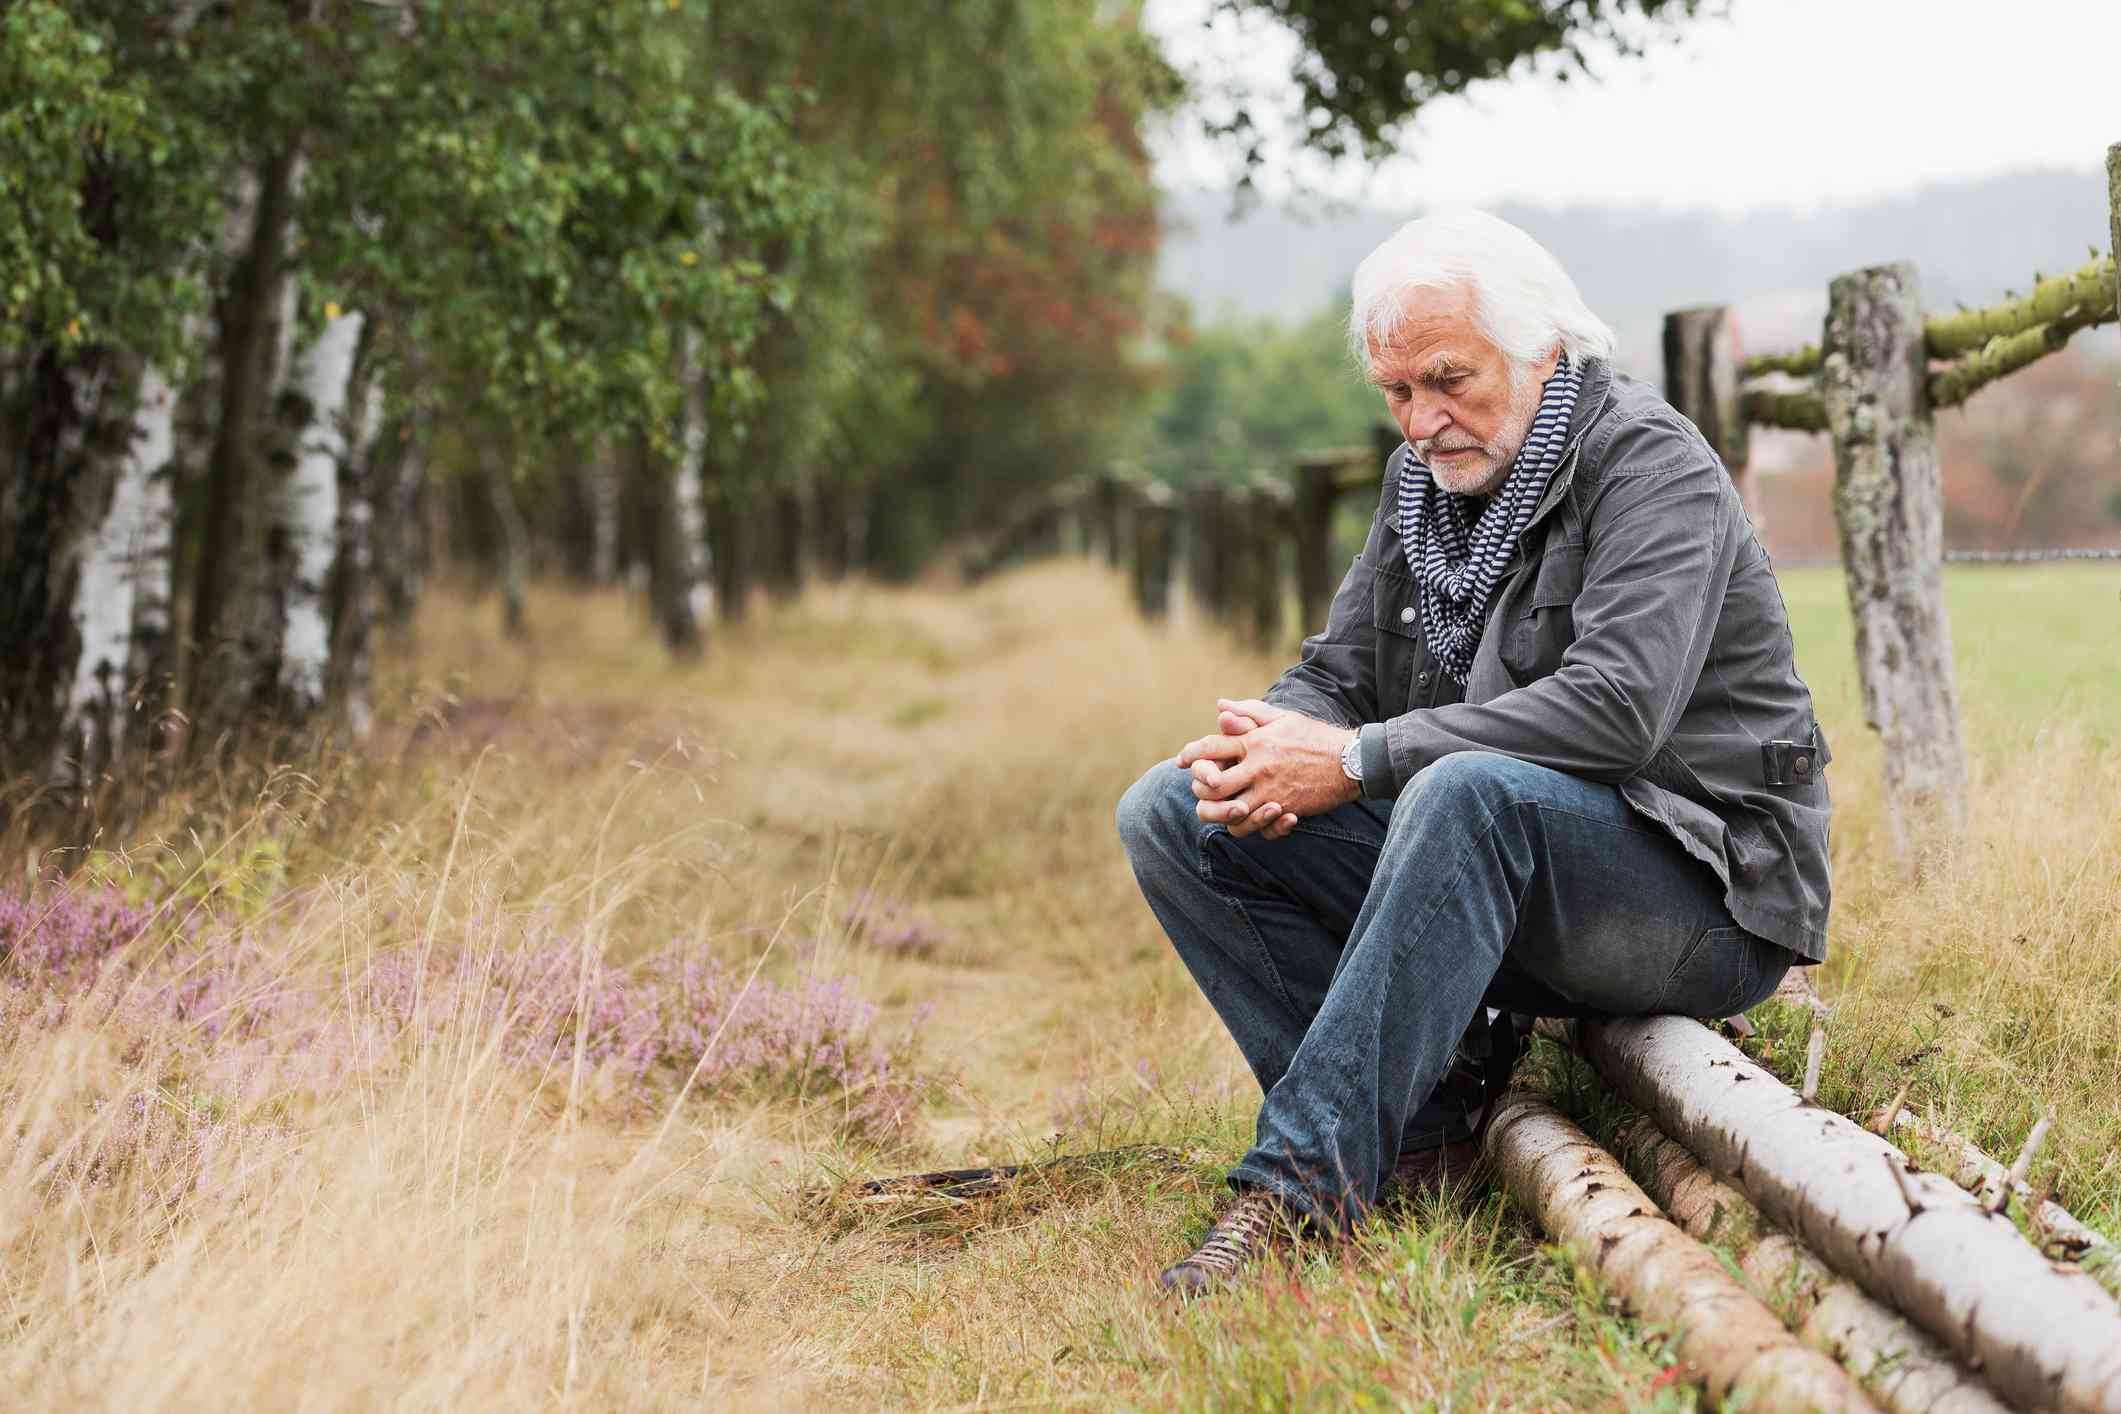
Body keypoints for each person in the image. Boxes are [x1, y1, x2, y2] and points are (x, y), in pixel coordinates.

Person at [1114, 209, 1832, 1296]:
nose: (1422, 419)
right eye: (1398, 392)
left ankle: (1298, 1189)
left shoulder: (1648, 463)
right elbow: (1338, 673)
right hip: (1522, 873)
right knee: (1173, 811)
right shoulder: (1426, 490)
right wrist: (1262, 745)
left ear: (1542, 348)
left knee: (1464, 790)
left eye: (1449, 379)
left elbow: (1615, 710)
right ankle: (1428, 1126)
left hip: (1705, 892)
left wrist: (1354, 760)